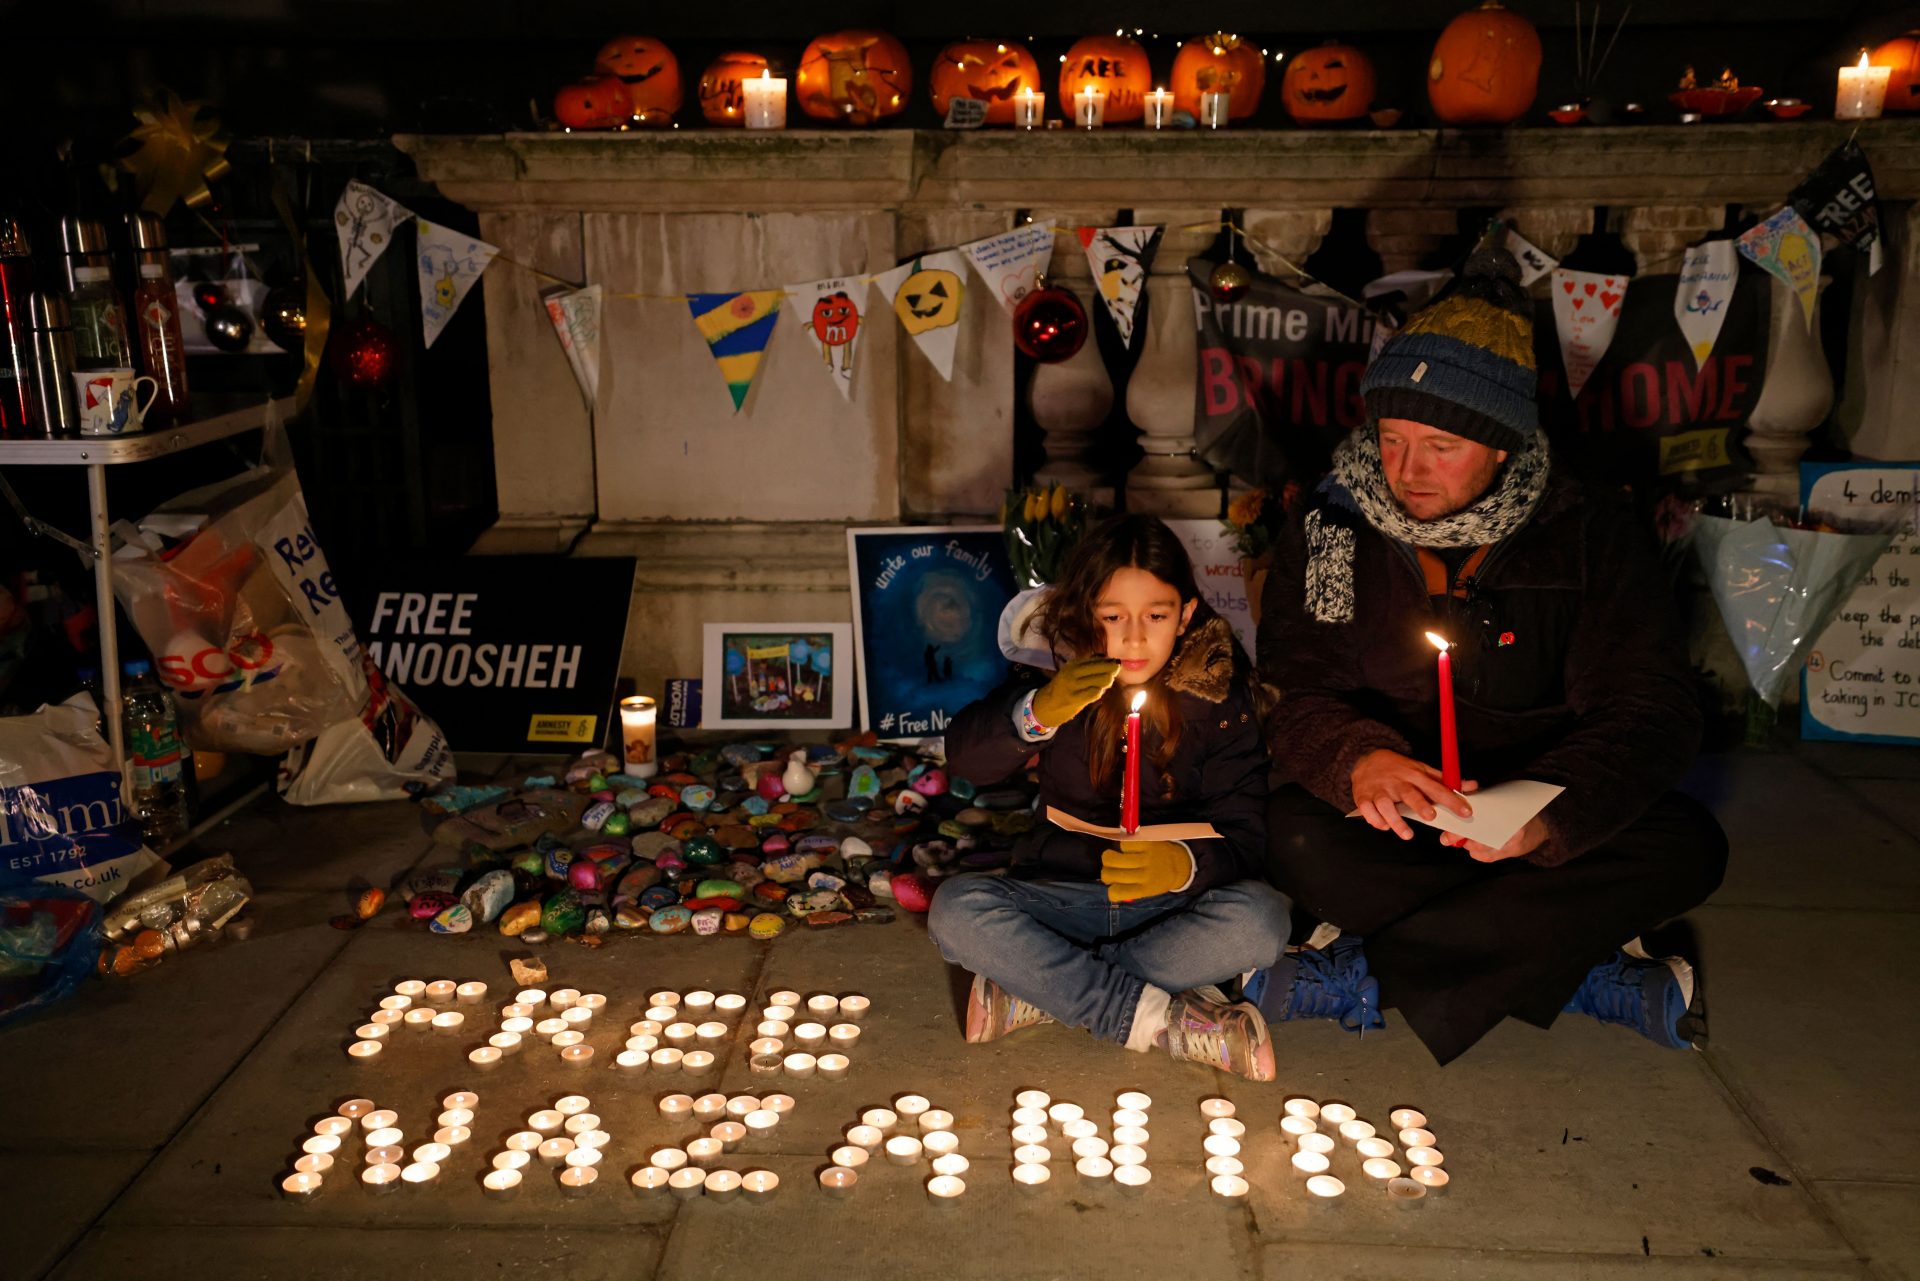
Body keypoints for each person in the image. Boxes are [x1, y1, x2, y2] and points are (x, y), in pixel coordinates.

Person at [1249, 247, 1728, 1066]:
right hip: (1393, 813)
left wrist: (1552, 818)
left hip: (1535, 807)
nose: (1407, 472)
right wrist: (1355, 758)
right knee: (1288, 832)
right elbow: (1299, 686)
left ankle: (1375, 971)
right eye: (1393, 440)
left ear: (1503, 445)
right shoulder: (1336, 528)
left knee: (1687, 845)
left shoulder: (1589, 532)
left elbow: (1652, 708)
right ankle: (1569, 964)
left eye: (1442, 447)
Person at [930, 515, 1288, 1080]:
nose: (1135, 637)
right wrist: (1034, 715)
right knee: (956, 910)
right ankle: (1155, 1018)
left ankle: (1043, 989)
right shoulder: (1053, 674)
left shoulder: (1223, 701)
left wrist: (1184, 866)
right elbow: (968, 761)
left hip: (1171, 911)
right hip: (1062, 898)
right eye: (1112, 616)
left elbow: (1247, 839)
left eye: (1157, 615)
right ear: (1083, 613)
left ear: (1187, 614)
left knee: (1261, 922)